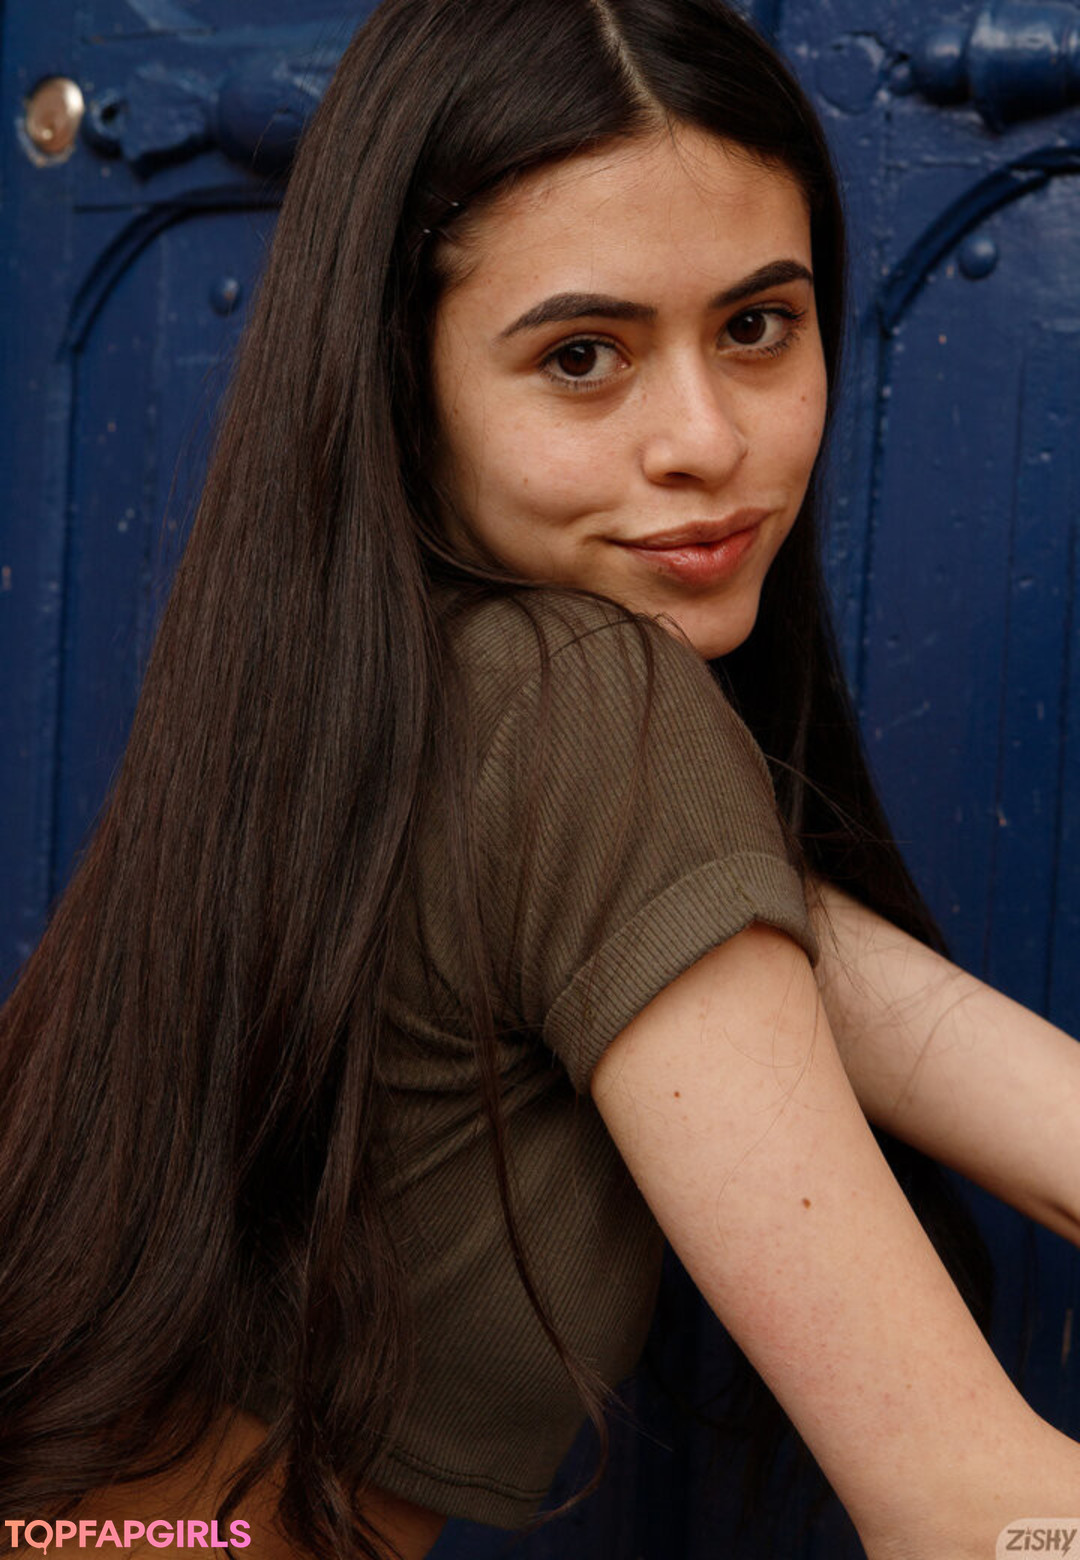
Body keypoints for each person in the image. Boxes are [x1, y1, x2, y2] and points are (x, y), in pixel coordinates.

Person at [2, 0, 1079, 1557]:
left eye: (758, 327)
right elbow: (967, 1510)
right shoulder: (577, 707)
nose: (704, 439)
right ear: (405, 378)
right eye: (583, 356)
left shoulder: (433, 726)